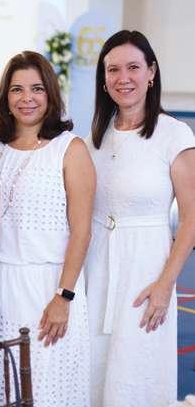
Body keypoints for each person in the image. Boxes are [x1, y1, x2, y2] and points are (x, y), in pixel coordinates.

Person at [86, 30, 195, 407]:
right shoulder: (94, 138)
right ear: (104, 80)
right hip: (96, 270)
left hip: (146, 272)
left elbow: (191, 219)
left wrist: (165, 285)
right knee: (94, 372)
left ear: (151, 72)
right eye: (113, 70)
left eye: (133, 67)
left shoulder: (174, 134)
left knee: (137, 373)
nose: (123, 78)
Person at [0, 51, 95, 406]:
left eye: (36, 89)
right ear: (5, 97)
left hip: (48, 287)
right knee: (3, 387)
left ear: (50, 93)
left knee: (48, 390)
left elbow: (82, 230)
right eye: (16, 89)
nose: (26, 98)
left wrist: (64, 297)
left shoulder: (70, 149)